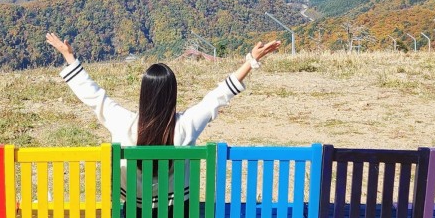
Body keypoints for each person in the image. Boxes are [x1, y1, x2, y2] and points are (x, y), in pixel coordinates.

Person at [44, 32, 282, 147]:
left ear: (143, 94)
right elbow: (219, 95)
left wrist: (69, 56)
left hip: (135, 217)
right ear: (172, 95)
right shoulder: (186, 126)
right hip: (177, 215)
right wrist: (250, 61)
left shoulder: (122, 122)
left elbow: (94, 96)